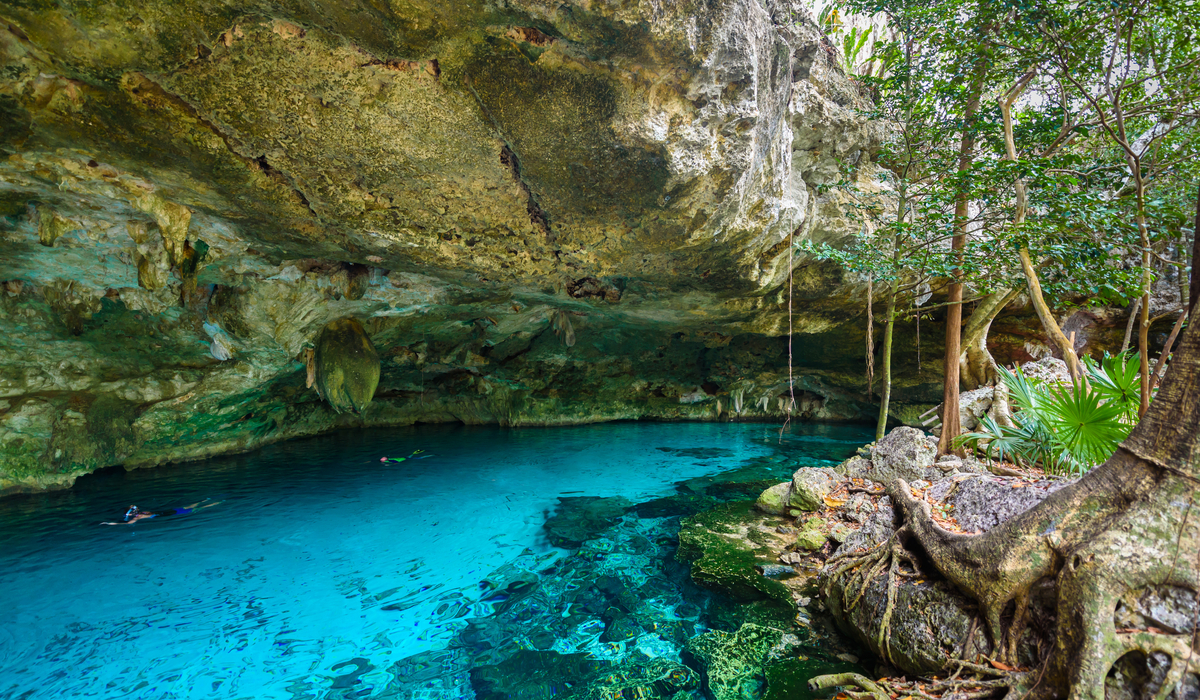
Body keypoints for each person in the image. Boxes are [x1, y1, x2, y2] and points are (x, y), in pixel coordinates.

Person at [102, 500, 220, 525]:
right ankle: (206, 500)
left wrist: (110, 523)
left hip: (169, 514)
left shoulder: (138, 517)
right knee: (187, 506)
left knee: (192, 509)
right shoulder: (141, 513)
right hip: (167, 511)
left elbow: (127, 524)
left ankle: (215, 503)